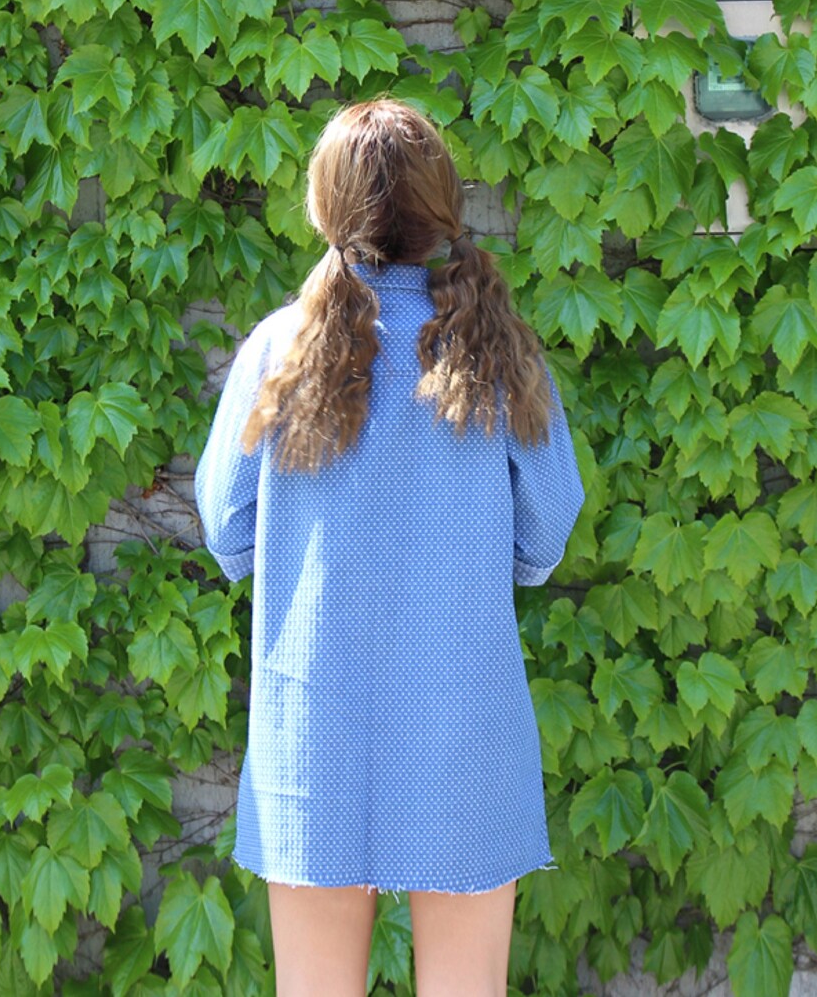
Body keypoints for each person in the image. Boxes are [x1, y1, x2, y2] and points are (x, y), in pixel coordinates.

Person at [194, 97, 585, 997]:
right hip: (466, 730)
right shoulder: (499, 354)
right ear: (440, 208)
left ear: (326, 208)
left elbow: (225, 528)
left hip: (316, 733)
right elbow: (546, 531)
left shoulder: (277, 352)